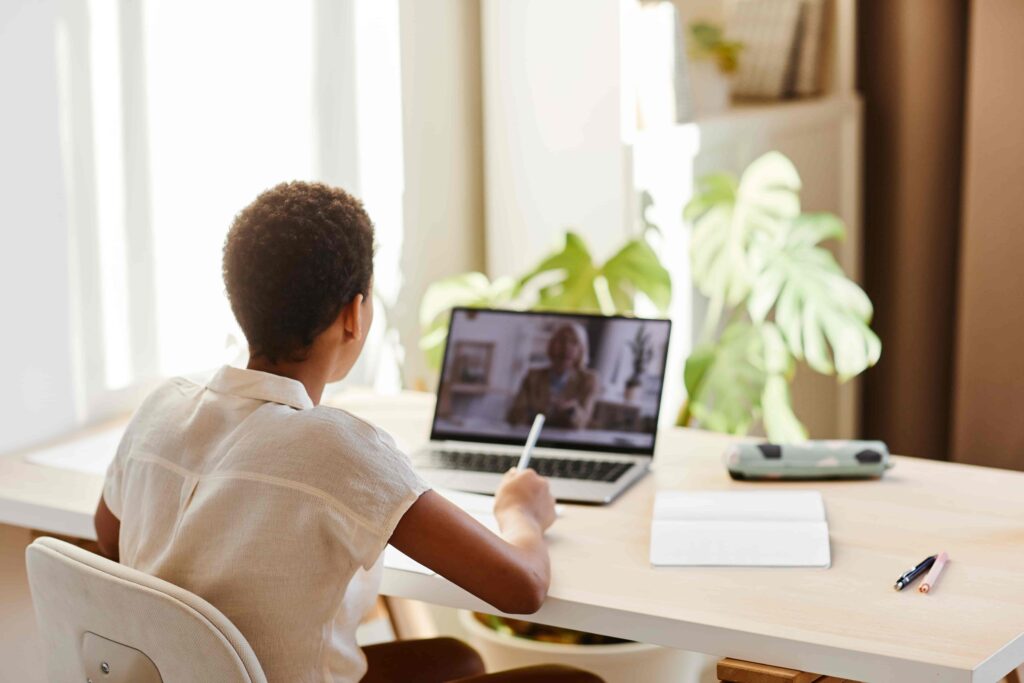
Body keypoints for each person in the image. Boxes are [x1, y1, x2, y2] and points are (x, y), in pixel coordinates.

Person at [93, 182, 600, 683]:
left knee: (454, 660)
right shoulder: (340, 449)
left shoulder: (160, 406)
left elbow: (109, 537)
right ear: (353, 315)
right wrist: (520, 511)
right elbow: (523, 587)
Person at [506, 323, 600, 430]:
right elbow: (514, 416)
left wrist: (571, 410)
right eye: (561, 341)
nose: (566, 347)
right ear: (551, 345)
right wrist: (539, 413)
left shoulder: (588, 379)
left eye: (574, 342)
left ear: (582, 349)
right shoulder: (533, 375)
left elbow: (583, 421)